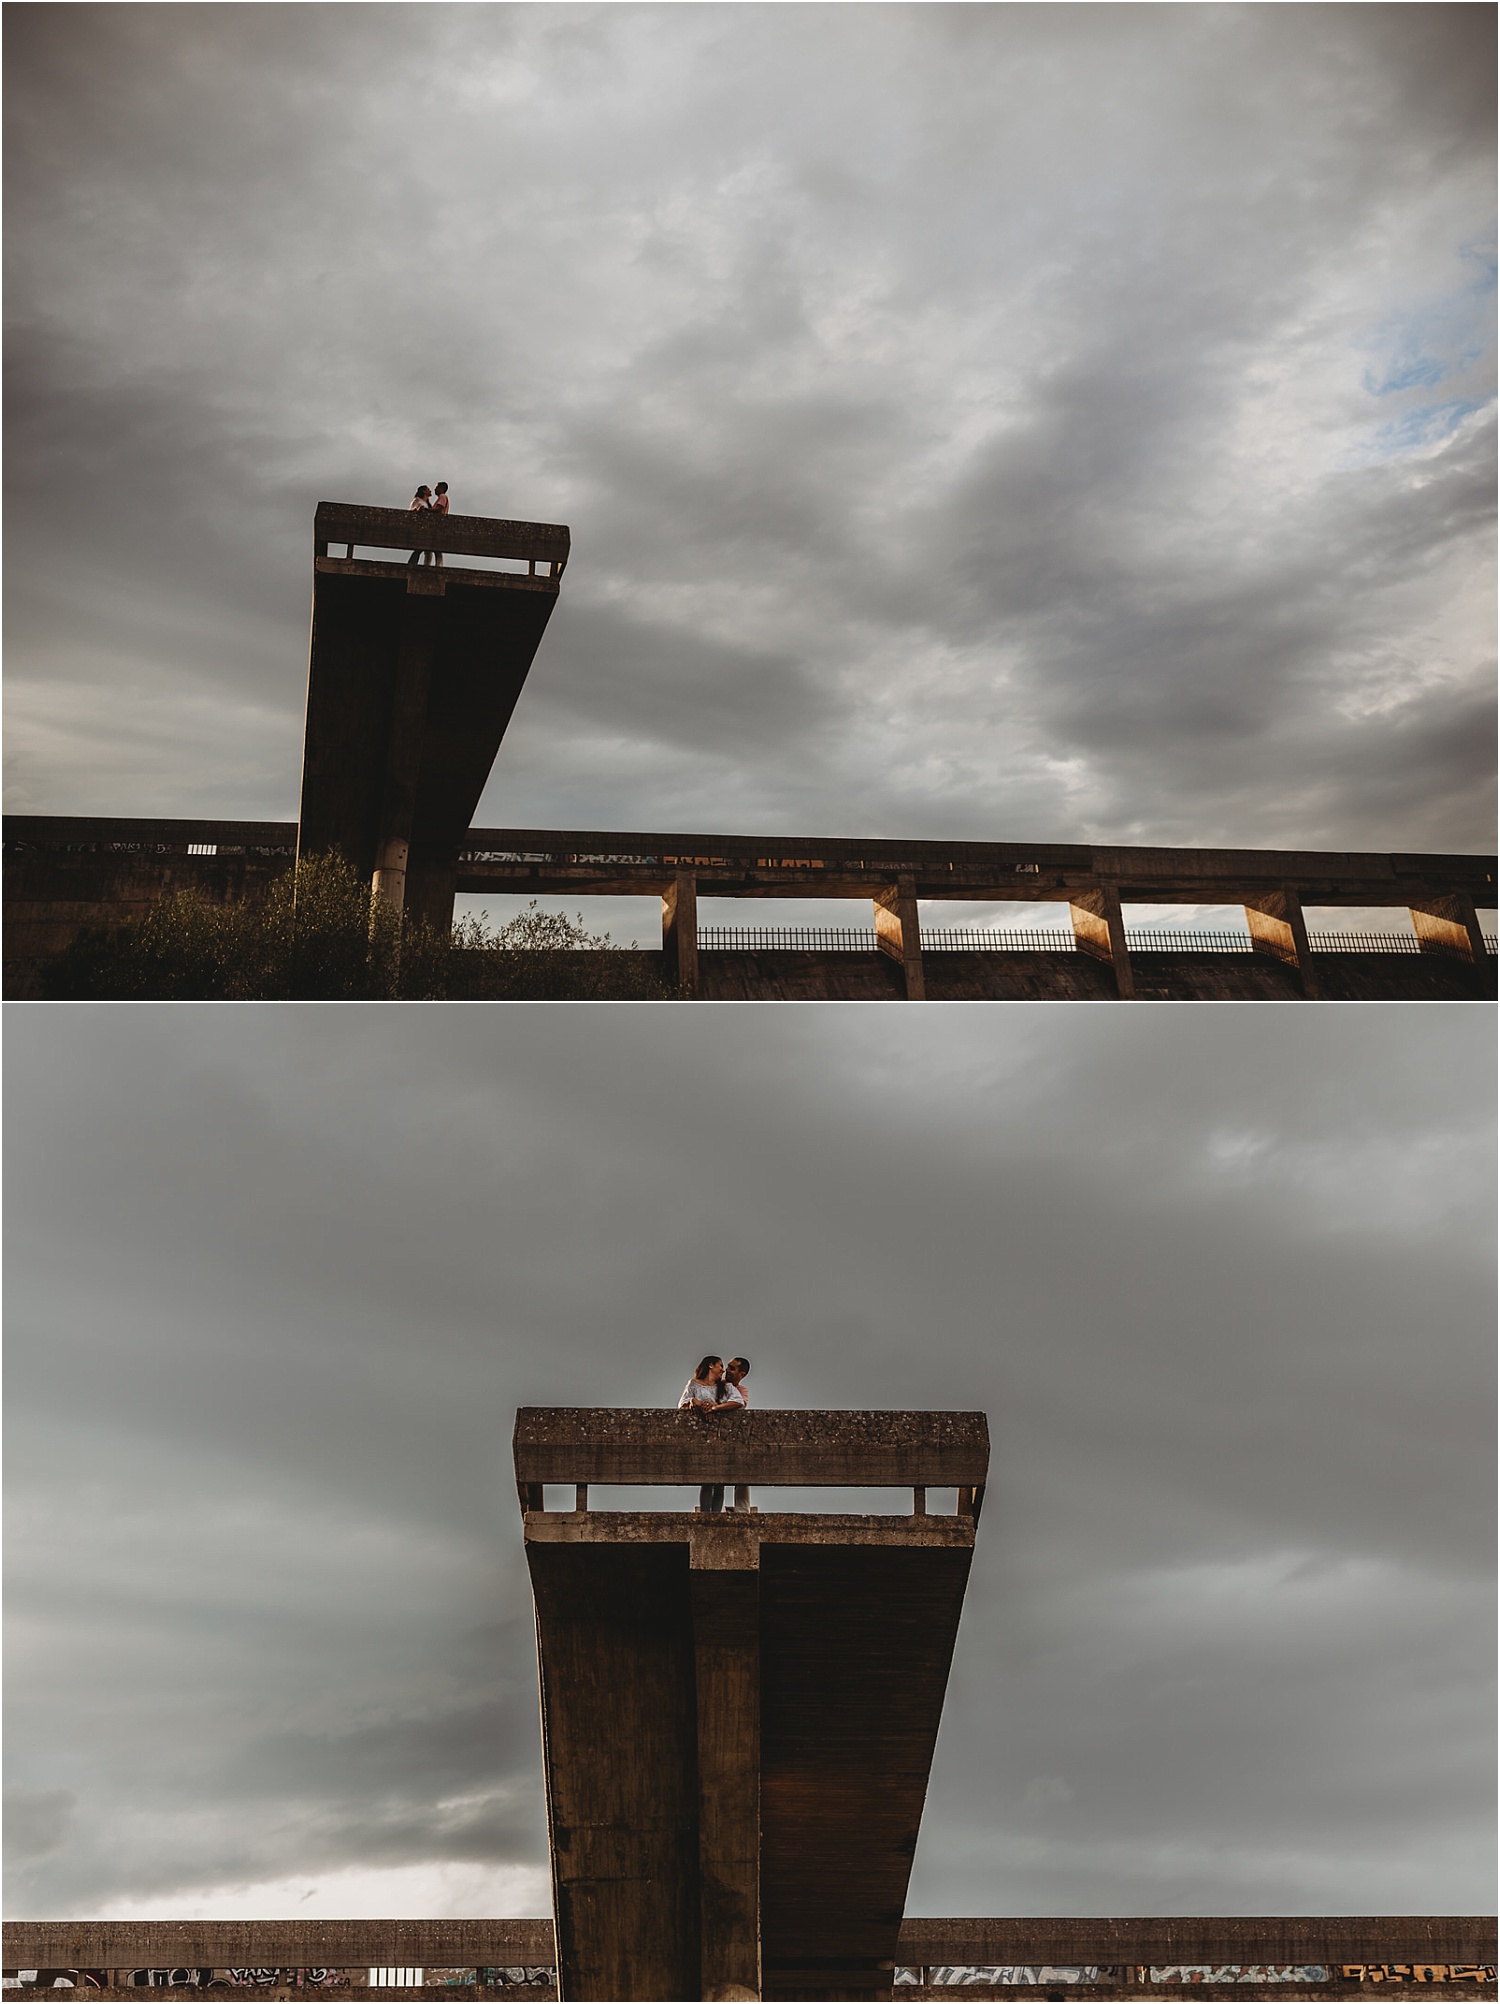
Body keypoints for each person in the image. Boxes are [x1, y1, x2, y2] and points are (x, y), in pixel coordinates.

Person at [679, 1356, 729, 1510]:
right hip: (702, 1435)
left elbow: (736, 1402)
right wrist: (697, 1403)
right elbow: (682, 1405)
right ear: (710, 1366)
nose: (723, 1370)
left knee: (720, 1482)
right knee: (706, 1479)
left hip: (720, 1433)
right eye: (720, 1366)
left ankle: (716, 1514)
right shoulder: (693, 1384)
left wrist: (713, 1407)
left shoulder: (723, 1387)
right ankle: (706, 1514)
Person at [407, 486, 433, 567]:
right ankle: (412, 564)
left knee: (428, 550)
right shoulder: (417, 500)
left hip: (426, 527)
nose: (430, 491)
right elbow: (411, 510)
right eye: (428, 489)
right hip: (420, 527)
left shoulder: (427, 504)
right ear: (424, 491)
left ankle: (426, 566)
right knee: (420, 548)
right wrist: (418, 509)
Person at [429, 481, 450, 567]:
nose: (434, 489)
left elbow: (439, 508)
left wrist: (427, 510)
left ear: (441, 488)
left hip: (438, 524)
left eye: (436, 487)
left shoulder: (442, 496)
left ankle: (439, 565)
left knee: (436, 546)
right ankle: (438, 565)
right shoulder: (443, 497)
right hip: (439, 524)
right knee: (436, 546)